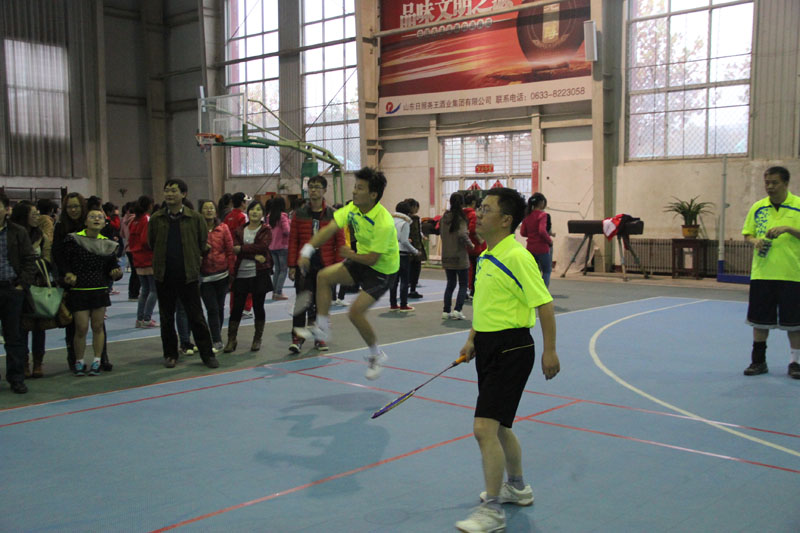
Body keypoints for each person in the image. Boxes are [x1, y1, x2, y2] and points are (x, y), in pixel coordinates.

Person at [455, 188, 560, 533]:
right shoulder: (487, 255)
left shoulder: (517, 256)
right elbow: (487, 304)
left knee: (483, 428)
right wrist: (472, 339)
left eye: (486, 209)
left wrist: (549, 350)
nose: (478, 214)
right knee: (500, 426)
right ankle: (517, 487)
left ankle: (492, 511)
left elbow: (544, 303)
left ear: (505, 220)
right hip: (487, 345)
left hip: (512, 349)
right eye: (479, 208)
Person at [297, 167, 399, 380]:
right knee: (323, 276)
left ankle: (377, 355)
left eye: (360, 188)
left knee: (355, 313)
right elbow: (329, 229)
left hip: (381, 270)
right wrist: (307, 250)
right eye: (355, 187)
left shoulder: (383, 222)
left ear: (373, 194)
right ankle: (322, 327)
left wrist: (349, 255)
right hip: (360, 259)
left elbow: (373, 259)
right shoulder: (352, 208)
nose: (354, 191)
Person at [148, 179, 219, 369]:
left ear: (183, 194)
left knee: (196, 317)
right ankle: (170, 354)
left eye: (173, 191)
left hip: (188, 276)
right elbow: (151, 242)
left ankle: (207, 355)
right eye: (167, 190)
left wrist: (193, 262)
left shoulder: (195, 218)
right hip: (164, 276)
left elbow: (202, 242)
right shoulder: (156, 218)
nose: (169, 194)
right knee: (166, 318)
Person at [741, 166, 800, 379]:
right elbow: (747, 235)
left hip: (792, 274)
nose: (770, 187)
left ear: (786, 183)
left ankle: (795, 363)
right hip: (762, 274)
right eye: (767, 183)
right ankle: (758, 362)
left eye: (774, 183)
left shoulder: (798, 205)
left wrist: (788, 229)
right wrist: (755, 241)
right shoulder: (758, 208)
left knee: (794, 324)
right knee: (759, 321)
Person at [52, 193, 113, 372]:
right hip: (72, 282)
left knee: (98, 324)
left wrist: (111, 271)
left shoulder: (93, 223)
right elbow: (57, 254)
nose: (73, 210)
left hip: (96, 282)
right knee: (74, 325)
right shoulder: (61, 228)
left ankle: (101, 357)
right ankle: (75, 359)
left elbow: (105, 251)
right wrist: (66, 274)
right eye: (69, 207)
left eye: (76, 206)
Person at [61, 207, 123, 376]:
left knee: (97, 327)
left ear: (104, 223)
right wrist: (68, 274)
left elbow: (112, 267)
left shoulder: (108, 244)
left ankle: (97, 361)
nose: (96, 219)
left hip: (99, 290)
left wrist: (116, 272)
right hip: (79, 290)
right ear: (85, 221)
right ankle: (79, 361)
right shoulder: (73, 240)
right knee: (81, 328)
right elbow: (65, 262)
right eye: (92, 216)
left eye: (100, 217)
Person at [287, 175, 344, 353]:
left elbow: (340, 243)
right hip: (304, 266)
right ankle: (297, 338)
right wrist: (292, 265)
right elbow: (293, 241)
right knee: (301, 302)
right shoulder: (299, 214)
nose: (313, 190)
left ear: (324, 190)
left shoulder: (333, 214)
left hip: (325, 266)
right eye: (311, 187)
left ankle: (320, 337)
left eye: (317, 187)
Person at [0, 192, 37, 393]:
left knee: (14, 337)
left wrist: (22, 285)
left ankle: (16, 378)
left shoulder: (17, 232)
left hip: (11, 289)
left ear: (7, 209)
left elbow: (29, 260)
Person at [225, 199, 273, 352]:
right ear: (248, 211)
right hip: (241, 274)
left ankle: (257, 339)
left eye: (258, 210)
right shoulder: (239, 230)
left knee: (258, 307)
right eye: (252, 209)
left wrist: (242, 250)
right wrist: (253, 255)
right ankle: (231, 339)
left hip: (259, 273)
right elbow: (235, 249)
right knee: (237, 308)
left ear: (263, 214)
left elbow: (262, 247)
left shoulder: (266, 230)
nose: (255, 212)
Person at [10, 201, 51, 378]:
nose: (37, 217)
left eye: (37, 214)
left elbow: (48, 259)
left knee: (39, 327)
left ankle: (38, 362)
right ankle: (23, 362)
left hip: (38, 287)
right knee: (20, 328)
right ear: (23, 216)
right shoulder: (13, 235)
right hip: (18, 287)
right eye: (33, 214)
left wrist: (35, 265)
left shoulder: (41, 236)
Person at [199, 200, 235, 353]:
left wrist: (231, 271)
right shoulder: (197, 229)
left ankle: (217, 335)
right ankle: (216, 339)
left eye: (211, 208)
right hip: (205, 277)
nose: (209, 210)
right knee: (212, 309)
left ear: (215, 211)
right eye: (206, 208)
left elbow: (230, 250)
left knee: (219, 308)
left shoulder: (223, 228)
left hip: (222, 275)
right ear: (201, 212)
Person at [440, 192, 474, 321]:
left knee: (450, 284)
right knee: (463, 284)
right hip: (459, 255)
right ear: (462, 203)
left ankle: (446, 310)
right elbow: (462, 234)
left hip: (447, 254)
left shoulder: (444, 218)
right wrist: (470, 244)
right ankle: (457, 310)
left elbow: (441, 233)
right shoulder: (461, 218)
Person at [128, 195, 159, 329]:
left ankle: (140, 318)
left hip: (137, 258)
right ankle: (147, 318)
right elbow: (146, 240)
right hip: (147, 258)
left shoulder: (134, 221)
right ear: (150, 205)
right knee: (154, 290)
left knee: (145, 290)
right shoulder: (146, 219)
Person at [390, 200, 419, 311]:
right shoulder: (405, 223)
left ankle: (393, 304)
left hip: (392, 253)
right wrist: (415, 251)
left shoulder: (390, 221)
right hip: (402, 254)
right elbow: (404, 241)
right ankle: (403, 304)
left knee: (394, 281)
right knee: (404, 281)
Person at [520, 192, 553, 288]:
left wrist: (531, 234)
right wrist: (549, 241)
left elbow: (523, 233)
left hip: (530, 248)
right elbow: (542, 231)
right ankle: (544, 292)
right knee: (546, 271)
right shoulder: (542, 215)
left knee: (534, 272)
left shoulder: (527, 216)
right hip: (542, 248)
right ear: (542, 202)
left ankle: (533, 290)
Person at [463, 192, 486, 300]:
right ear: (473, 202)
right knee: (476, 269)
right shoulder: (472, 214)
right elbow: (472, 230)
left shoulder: (462, 213)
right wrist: (480, 240)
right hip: (474, 246)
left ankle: (466, 290)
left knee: (467, 270)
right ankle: (473, 290)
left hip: (464, 245)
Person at [268, 196, 290, 301]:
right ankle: (279, 292)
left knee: (277, 270)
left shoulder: (269, 216)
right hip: (282, 246)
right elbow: (287, 230)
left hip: (272, 246)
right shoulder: (283, 216)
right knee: (283, 270)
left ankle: (274, 292)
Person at [405, 198, 426, 299]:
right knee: (415, 270)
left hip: (403, 249)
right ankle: (412, 290)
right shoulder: (414, 219)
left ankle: (404, 291)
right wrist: (418, 250)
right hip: (413, 248)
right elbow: (415, 234)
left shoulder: (399, 218)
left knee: (405, 272)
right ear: (413, 207)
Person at [120, 201, 140, 300]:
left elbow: (122, 234)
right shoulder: (135, 220)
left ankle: (132, 293)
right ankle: (134, 293)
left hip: (128, 248)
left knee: (134, 272)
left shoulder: (124, 219)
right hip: (135, 248)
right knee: (136, 272)